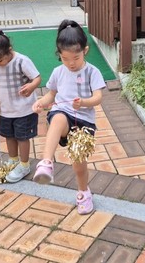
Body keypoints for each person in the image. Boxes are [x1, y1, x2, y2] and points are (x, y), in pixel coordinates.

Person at [32, 20, 106, 215]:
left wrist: (84, 102)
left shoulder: (92, 72)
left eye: (76, 57)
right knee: (57, 118)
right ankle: (46, 163)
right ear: (59, 54)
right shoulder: (58, 72)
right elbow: (51, 94)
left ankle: (84, 192)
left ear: (85, 51)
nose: (71, 63)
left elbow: (98, 97)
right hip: (64, 114)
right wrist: (41, 102)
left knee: (78, 163)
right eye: (65, 58)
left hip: (84, 122)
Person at [0, 29, 41, 183]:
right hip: (6, 110)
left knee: (22, 137)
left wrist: (31, 86)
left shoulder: (22, 61)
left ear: (9, 50)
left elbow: (37, 78)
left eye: (0, 60)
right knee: (9, 135)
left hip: (24, 109)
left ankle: (24, 165)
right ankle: (13, 160)